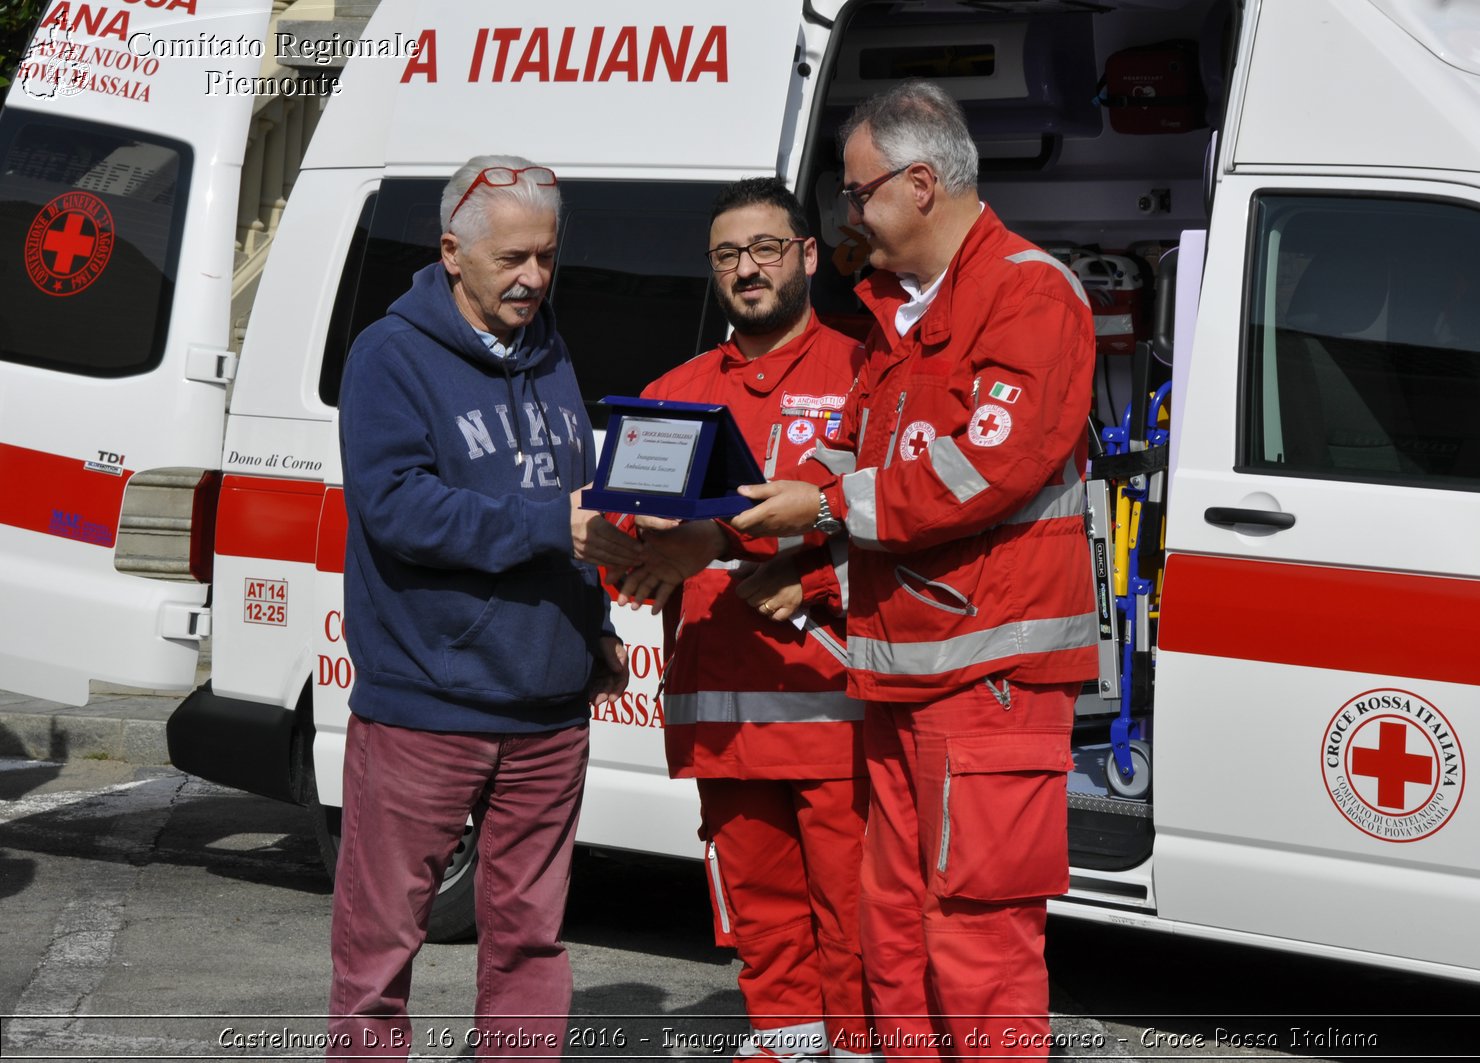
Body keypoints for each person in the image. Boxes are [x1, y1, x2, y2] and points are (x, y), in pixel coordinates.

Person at [727, 82, 1099, 1059]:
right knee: (892, 930)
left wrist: (826, 508)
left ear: (920, 184)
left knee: (974, 939)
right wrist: (752, 514)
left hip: (990, 682)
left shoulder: (1028, 293)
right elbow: (854, 450)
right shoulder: (901, 315)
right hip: (902, 671)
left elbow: (982, 468)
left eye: (857, 194)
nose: (848, 214)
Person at [329, 154, 644, 1059]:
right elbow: (397, 508)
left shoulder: (549, 347)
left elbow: (572, 495)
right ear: (452, 253)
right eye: (512, 259)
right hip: (429, 702)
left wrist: (596, 626)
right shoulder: (389, 354)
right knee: (380, 946)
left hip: (548, 710)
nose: (533, 278)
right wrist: (552, 525)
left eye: (546, 257)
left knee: (529, 940)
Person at [615, 177, 874, 1061]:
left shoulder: (866, 374)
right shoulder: (674, 390)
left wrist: (820, 583)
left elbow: (912, 525)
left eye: (765, 249)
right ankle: (786, 1045)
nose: (747, 269)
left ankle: (860, 1047)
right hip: (719, 709)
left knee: (856, 910)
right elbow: (625, 529)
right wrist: (622, 531)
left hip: (835, 704)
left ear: (807, 255)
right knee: (758, 910)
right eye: (728, 255)